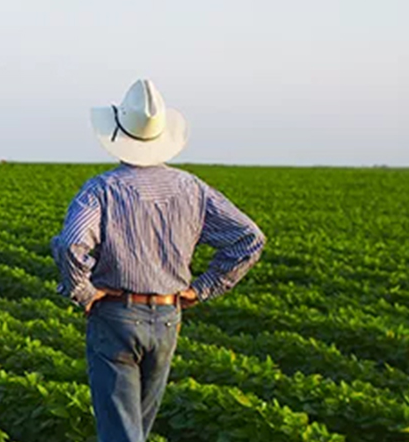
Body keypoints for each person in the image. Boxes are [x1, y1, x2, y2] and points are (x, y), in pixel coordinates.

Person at [51, 79, 266, 442]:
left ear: (118, 135)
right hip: (168, 317)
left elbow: (73, 244)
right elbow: (249, 238)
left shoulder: (102, 189)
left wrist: (84, 293)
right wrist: (202, 289)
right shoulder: (192, 188)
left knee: (122, 433)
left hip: (116, 315)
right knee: (138, 430)